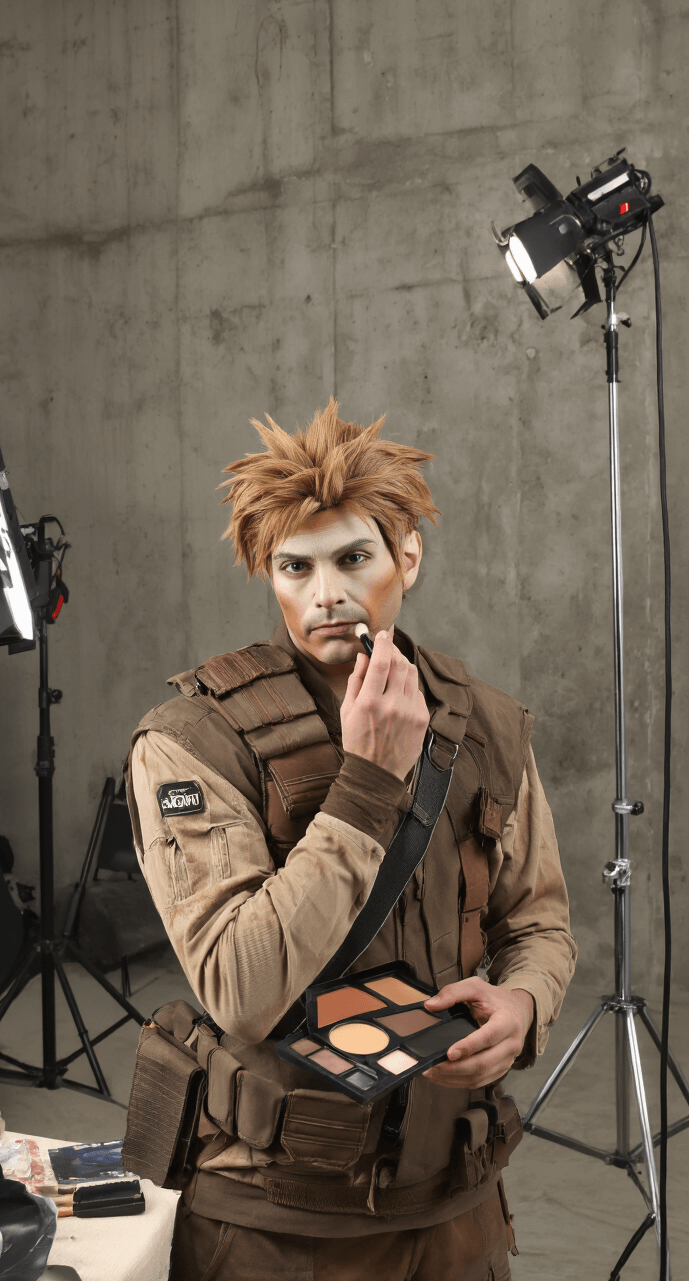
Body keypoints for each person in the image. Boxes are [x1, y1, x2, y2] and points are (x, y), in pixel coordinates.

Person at [125, 401, 576, 1281]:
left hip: (459, 1205)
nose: (325, 594)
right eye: (294, 566)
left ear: (408, 557)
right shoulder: (193, 741)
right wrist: (367, 782)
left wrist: (524, 1005)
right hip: (275, 1220)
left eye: (353, 559)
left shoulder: (486, 725)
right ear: (270, 575)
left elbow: (539, 920)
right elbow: (240, 988)